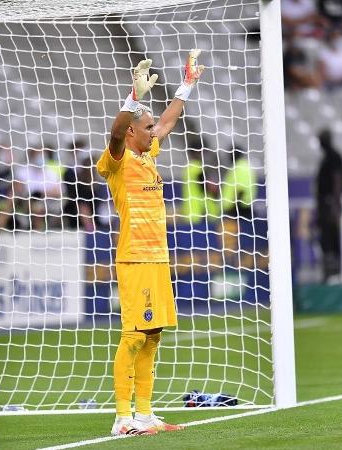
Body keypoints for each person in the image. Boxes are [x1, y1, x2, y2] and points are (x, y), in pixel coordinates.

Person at [96, 50, 204, 436]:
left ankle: (145, 414)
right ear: (131, 132)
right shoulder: (117, 160)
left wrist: (187, 84)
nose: (153, 129)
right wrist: (132, 100)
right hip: (135, 259)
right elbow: (113, 133)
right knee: (134, 334)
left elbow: (169, 121)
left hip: (158, 258)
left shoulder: (148, 154)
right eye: (146, 126)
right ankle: (122, 418)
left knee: (154, 333)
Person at [315, 129, 342, 282]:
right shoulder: (327, 157)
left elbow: (337, 180)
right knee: (325, 240)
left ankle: (336, 273)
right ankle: (330, 272)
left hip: (329, 205)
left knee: (332, 239)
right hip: (324, 206)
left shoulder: (333, 157)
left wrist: (335, 205)